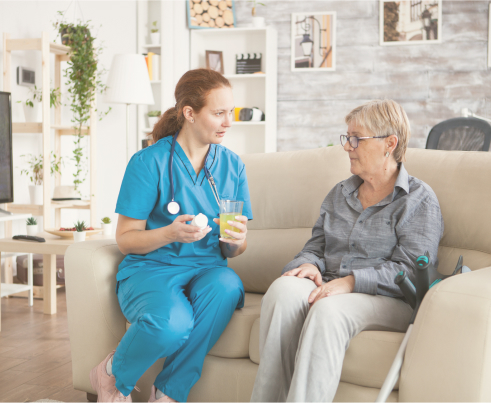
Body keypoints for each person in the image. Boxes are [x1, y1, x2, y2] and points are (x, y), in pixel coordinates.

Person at [250, 99, 444, 402]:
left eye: (356, 139)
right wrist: (309, 264)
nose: (347, 146)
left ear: (389, 143)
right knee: (283, 291)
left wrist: (351, 282)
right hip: (330, 283)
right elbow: (315, 246)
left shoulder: (418, 199)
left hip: (388, 298)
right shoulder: (340, 193)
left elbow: (409, 269)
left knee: (328, 310)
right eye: (347, 138)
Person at [90, 69, 253, 403]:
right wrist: (169, 233)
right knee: (172, 325)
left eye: (230, 113)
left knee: (226, 285)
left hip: (208, 269)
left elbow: (235, 249)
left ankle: (168, 394)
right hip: (152, 269)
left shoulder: (232, 165)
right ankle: (111, 375)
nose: (228, 122)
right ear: (190, 113)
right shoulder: (148, 163)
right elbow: (125, 238)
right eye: (218, 113)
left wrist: (236, 240)